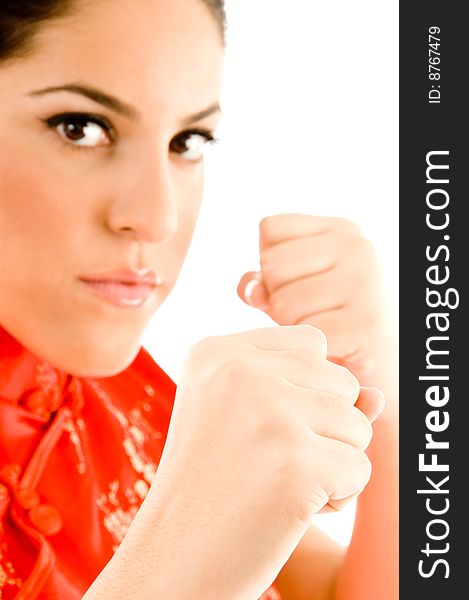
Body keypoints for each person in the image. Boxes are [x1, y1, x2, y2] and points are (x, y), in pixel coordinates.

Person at [0, 0, 398, 598]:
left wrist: (387, 390)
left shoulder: (126, 400)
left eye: (188, 140)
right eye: (79, 127)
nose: (157, 217)